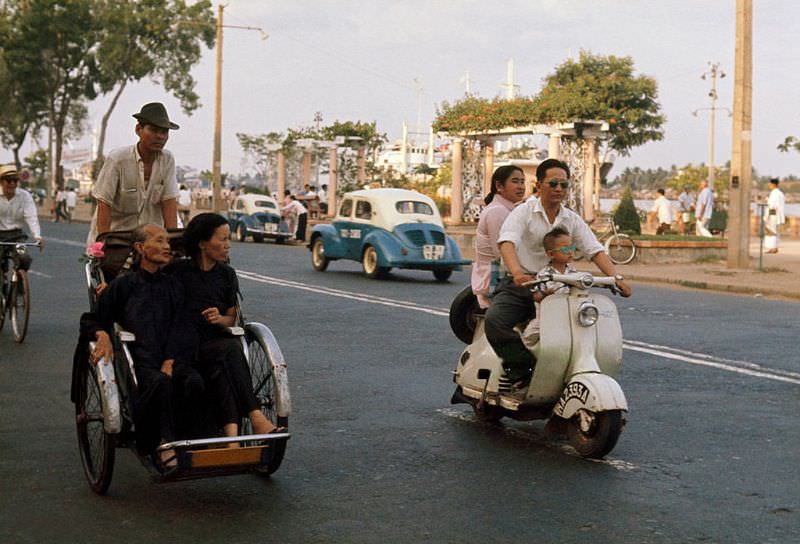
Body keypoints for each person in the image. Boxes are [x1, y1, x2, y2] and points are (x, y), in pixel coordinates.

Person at [485, 158, 631, 385]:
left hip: (561, 289)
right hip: (524, 285)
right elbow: (507, 242)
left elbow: (594, 249)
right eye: (553, 184)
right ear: (539, 184)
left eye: (564, 185)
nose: (559, 189)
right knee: (495, 322)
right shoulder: (523, 212)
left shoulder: (571, 218)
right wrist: (517, 273)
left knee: (587, 328)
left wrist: (616, 278)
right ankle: (520, 370)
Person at [82, 224, 201, 470]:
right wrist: (102, 334)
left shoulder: (174, 285)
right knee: (159, 383)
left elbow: (183, 325)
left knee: (193, 381)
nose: (167, 247)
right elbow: (92, 318)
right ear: (140, 248)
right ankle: (163, 443)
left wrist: (170, 359)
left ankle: (194, 440)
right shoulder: (123, 285)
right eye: (159, 241)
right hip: (141, 361)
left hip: (173, 357)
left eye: (168, 242)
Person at [173, 213, 281, 439]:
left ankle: (242, 427)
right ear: (203, 243)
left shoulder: (226, 274)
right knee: (229, 350)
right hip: (185, 346)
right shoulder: (177, 272)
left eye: (228, 238)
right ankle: (254, 417)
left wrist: (218, 319)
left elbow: (231, 318)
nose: (227, 245)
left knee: (229, 350)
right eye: (221, 239)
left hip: (214, 342)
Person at [87, 102, 180, 245]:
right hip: (116, 238)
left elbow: (169, 203)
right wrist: (105, 244)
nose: (160, 136)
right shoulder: (118, 159)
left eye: (164, 132)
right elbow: (104, 203)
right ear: (138, 130)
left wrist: (172, 244)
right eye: (153, 130)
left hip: (150, 243)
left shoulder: (167, 160)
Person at [471, 165, 526, 309]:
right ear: (499, 186)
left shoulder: (508, 210)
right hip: (495, 279)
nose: (521, 186)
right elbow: (501, 253)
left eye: (522, 181)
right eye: (515, 181)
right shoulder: (498, 212)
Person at [518, 227, 578, 350]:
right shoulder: (544, 274)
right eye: (566, 249)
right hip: (546, 317)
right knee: (528, 337)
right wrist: (544, 294)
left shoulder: (574, 272)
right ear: (551, 254)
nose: (571, 252)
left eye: (572, 248)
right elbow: (536, 296)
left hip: (569, 315)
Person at [0, 165, 44, 264]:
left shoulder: (25, 196)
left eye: (15, 181)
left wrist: (37, 236)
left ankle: (19, 276)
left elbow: (31, 217)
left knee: (24, 258)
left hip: (17, 236)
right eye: (8, 180)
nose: (12, 184)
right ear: (1, 182)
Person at [764, 178, 786, 254]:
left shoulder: (774, 193)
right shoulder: (781, 193)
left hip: (773, 214)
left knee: (772, 231)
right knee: (776, 231)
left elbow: (772, 206)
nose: (769, 185)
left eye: (770, 184)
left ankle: (772, 248)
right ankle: (775, 247)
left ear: (773, 184)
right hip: (779, 215)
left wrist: (767, 217)